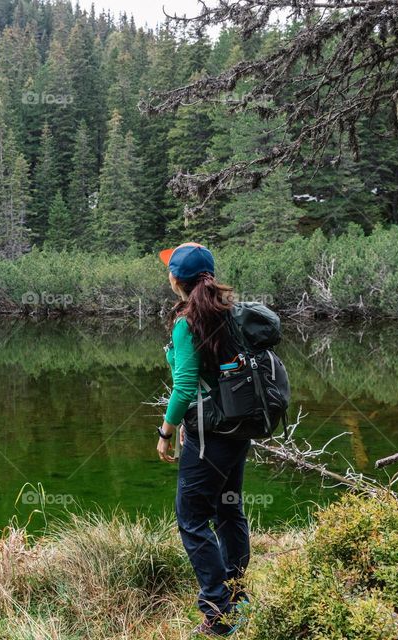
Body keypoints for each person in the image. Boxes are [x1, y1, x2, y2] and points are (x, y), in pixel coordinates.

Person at [155, 242, 250, 637]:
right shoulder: (229, 311)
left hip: (210, 436)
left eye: (169, 270)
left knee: (192, 519)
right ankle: (238, 596)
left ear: (177, 279)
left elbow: (184, 386)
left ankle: (218, 614)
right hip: (239, 428)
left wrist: (166, 431)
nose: (167, 274)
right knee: (228, 508)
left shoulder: (187, 321)